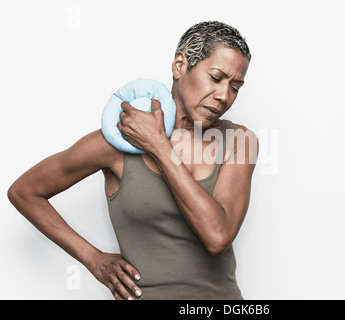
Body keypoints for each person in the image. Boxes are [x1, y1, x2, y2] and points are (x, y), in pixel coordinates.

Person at [7, 21, 258, 300]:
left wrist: (159, 147)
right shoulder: (118, 141)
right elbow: (24, 192)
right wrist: (94, 259)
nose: (224, 96)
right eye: (216, 77)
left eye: (235, 87)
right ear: (179, 65)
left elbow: (217, 237)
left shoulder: (238, 141)